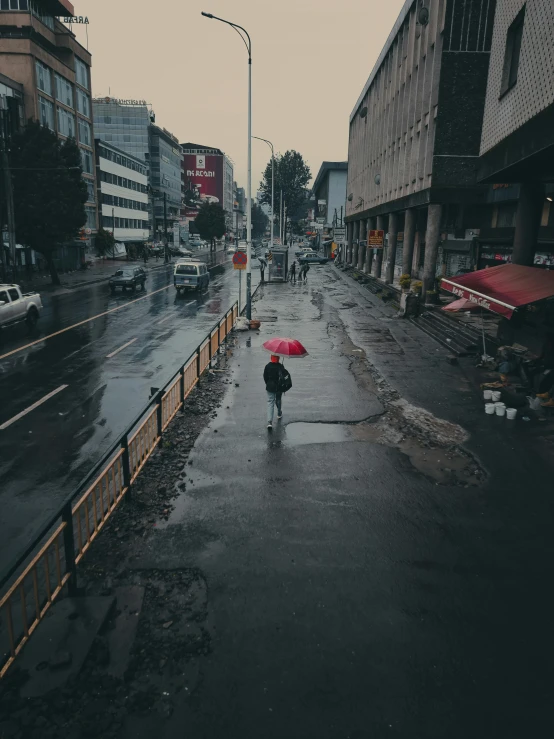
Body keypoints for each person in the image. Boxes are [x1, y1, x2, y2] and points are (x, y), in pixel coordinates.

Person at [264, 354, 284, 429]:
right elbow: (283, 377)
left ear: (271, 358)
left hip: (270, 386)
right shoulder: (280, 366)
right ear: (278, 358)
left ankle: (269, 422)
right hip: (279, 386)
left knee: (270, 402)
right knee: (278, 400)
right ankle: (279, 413)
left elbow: (265, 376)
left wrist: (268, 383)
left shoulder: (267, 366)